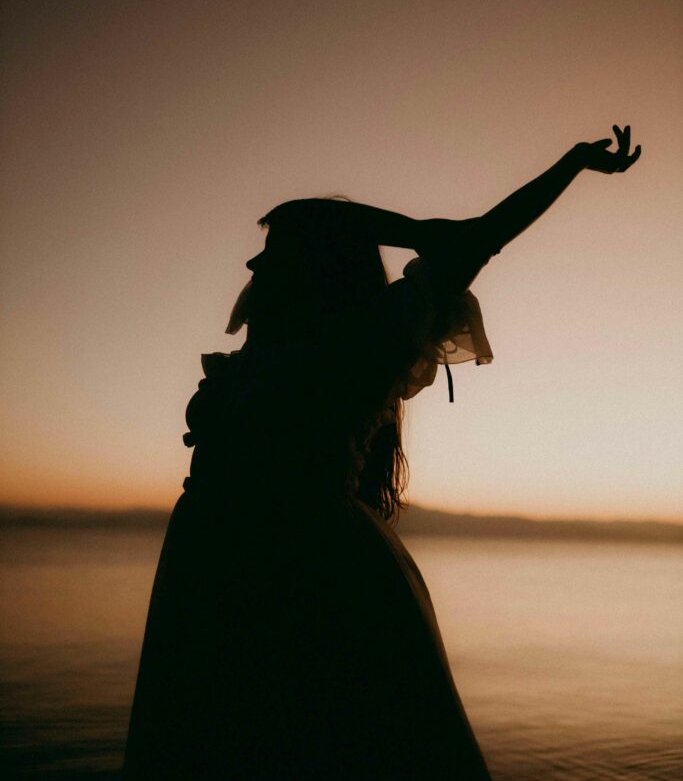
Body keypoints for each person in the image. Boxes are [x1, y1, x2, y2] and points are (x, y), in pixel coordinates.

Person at [123, 126, 640, 779]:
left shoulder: (363, 344)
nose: (252, 268)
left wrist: (566, 165)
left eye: (271, 252)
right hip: (212, 559)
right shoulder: (261, 356)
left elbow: (479, 235)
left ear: (314, 266)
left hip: (308, 566)